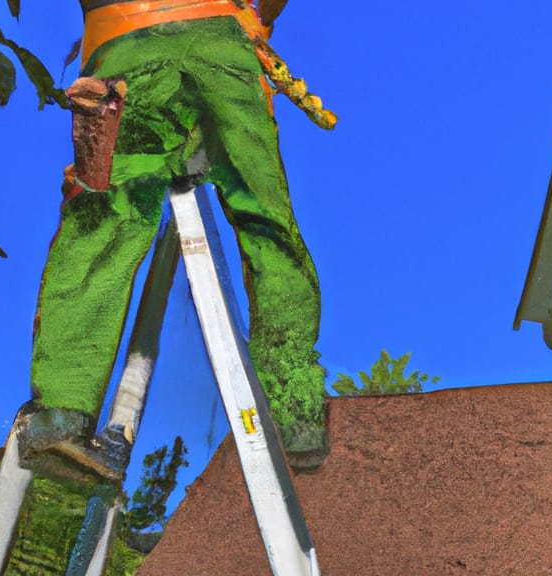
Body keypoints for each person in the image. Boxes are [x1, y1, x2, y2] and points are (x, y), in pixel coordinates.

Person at [19, 0, 335, 480]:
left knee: (103, 224)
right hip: (219, 47)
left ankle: (62, 412)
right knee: (265, 223)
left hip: (122, 43)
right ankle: (295, 408)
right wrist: (260, 18)